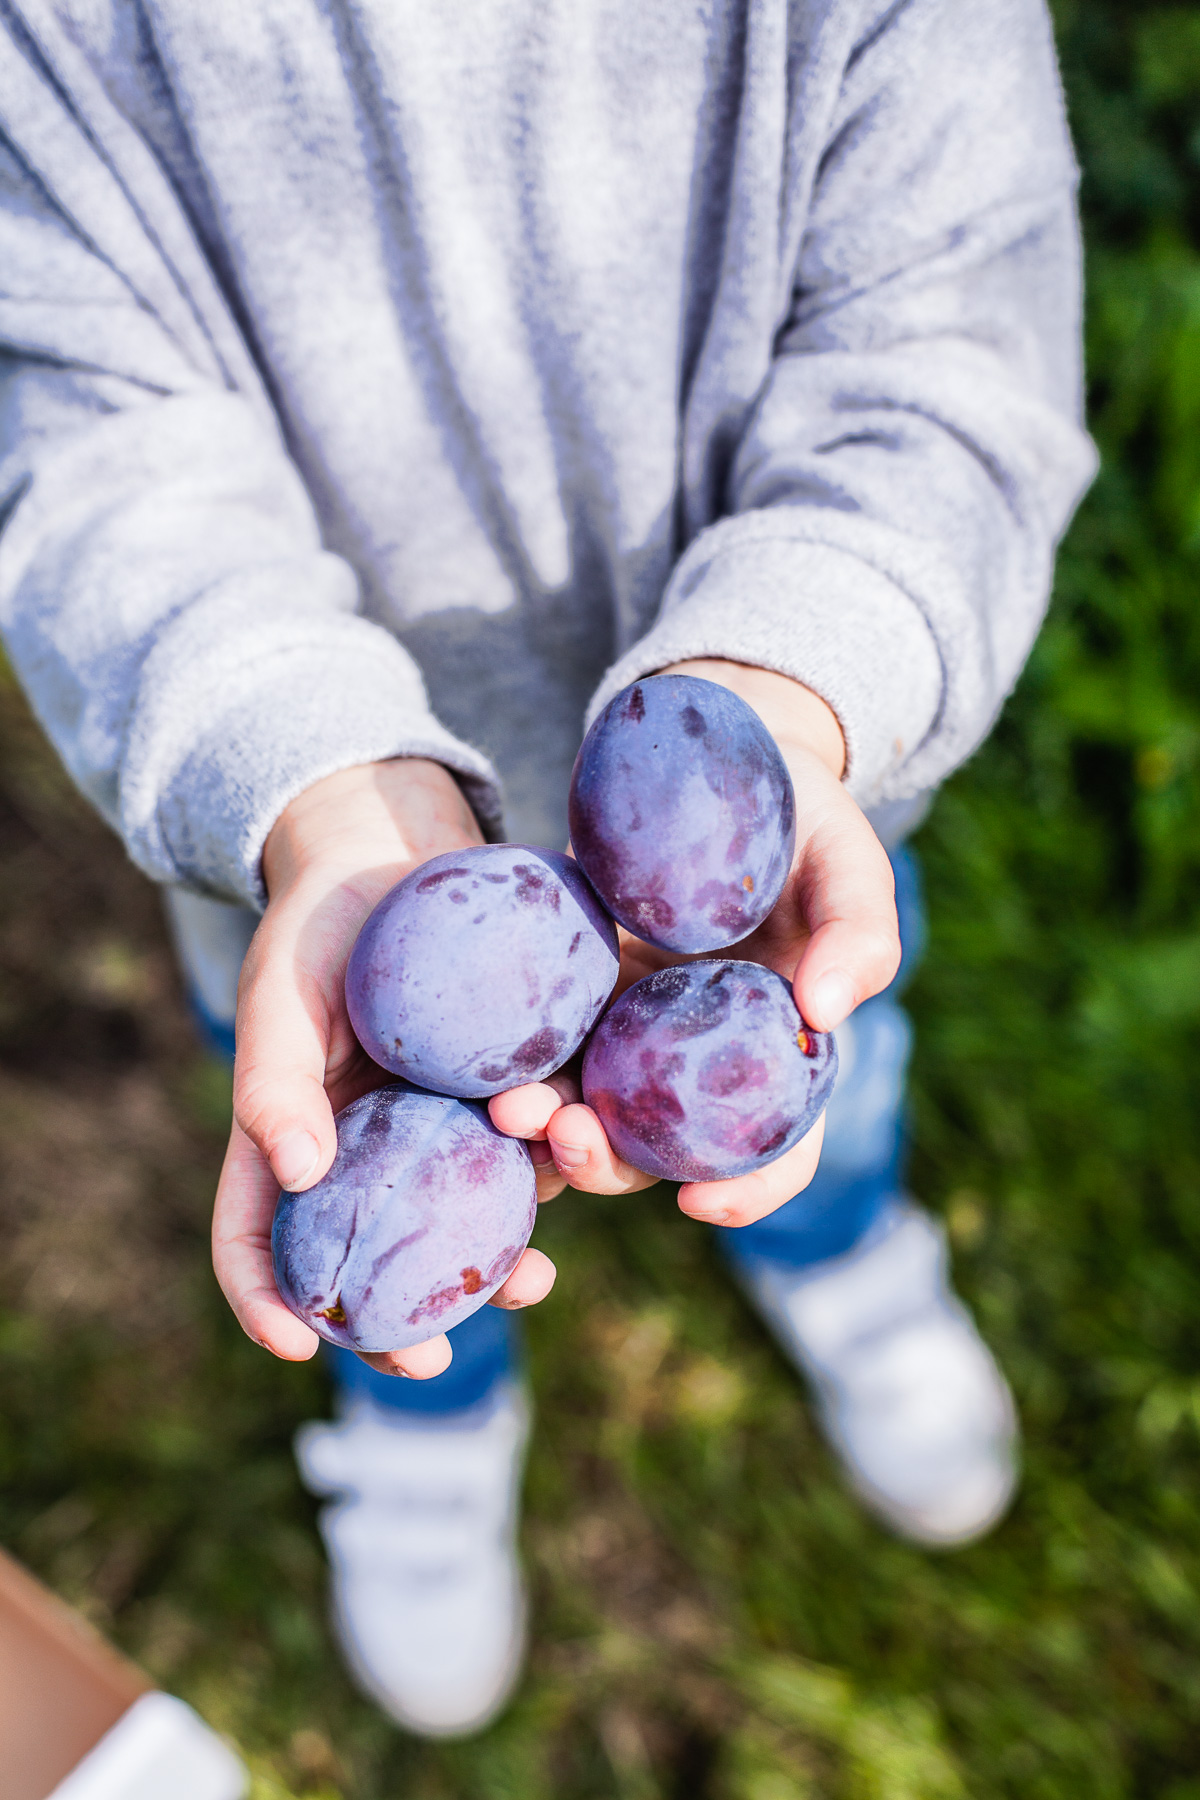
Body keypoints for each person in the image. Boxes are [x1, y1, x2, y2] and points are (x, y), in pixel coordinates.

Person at [0, 0, 1095, 1741]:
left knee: (806, 1071)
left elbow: (951, 359)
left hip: (774, 838)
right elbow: (94, 462)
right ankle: (430, 1410)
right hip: (327, 863)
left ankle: (835, 1247)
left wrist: (788, 689)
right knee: (364, 1186)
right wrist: (319, 788)